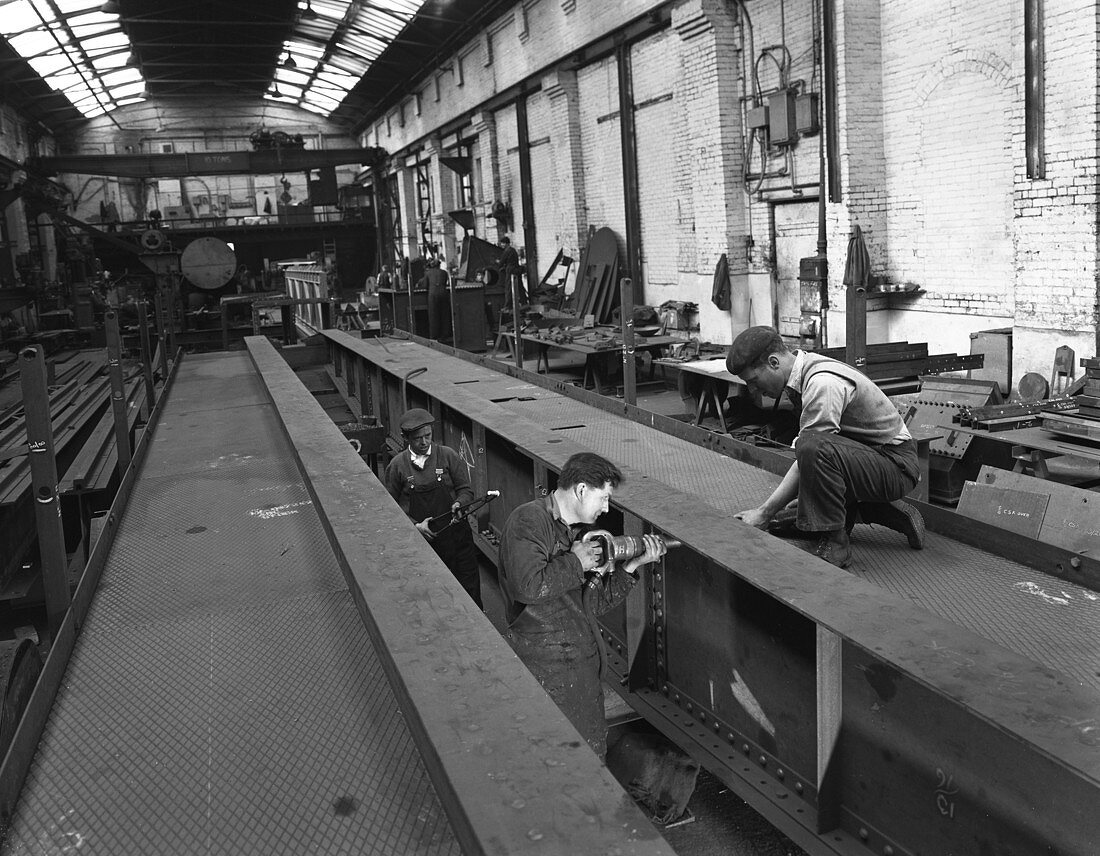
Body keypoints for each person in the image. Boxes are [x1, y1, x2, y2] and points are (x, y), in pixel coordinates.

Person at [498, 452, 664, 758]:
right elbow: (529, 586)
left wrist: (633, 566)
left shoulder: (569, 531)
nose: (606, 508)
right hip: (547, 668)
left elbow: (589, 603)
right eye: (603, 498)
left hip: (576, 666)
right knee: (561, 759)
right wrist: (577, 560)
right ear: (582, 489)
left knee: (584, 755)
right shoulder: (529, 521)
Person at [727, 326, 925, 569]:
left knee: (811, 447)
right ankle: (886, 513)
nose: (754, 391)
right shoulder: (803, 370)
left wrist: (764, 511)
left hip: (895, 467)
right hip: (869, 458)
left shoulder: (822, 383)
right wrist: (794, 504)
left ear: (774, 362)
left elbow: (813, 451)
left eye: (754, 381)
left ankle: (837, 545)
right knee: (790, 519)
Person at [384, 408, 482, 607]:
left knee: (468, 591)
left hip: (457, 541)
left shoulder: (447, 456)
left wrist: (459, 504)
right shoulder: (397, 466)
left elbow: (465, 490)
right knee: (432, 598)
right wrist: (416, 527)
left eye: (428, 435)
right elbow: (389, 510)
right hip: (423, 546)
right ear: (406, 438)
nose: (424, 442)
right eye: (417, 438)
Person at [419, 258, 452, 343]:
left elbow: (425, 285)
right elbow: (446, 283)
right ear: (439, 265)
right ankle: (445, 334)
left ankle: (434, 335)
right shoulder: (444, 273)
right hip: (444, 294)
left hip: (433, 295)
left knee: (433, 315)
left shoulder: (428, 273)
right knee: (445, 315)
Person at [497, 236, 526, 307]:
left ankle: (508, 306)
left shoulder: (507, 251)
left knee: (508, 288)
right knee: (520, 287)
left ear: (506, 243)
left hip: (510, 271)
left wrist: (498, 262)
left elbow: (501, 263)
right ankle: (524, 302)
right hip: (517, 270)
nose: (502, 245)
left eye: (503, 243)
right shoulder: (513, 250)